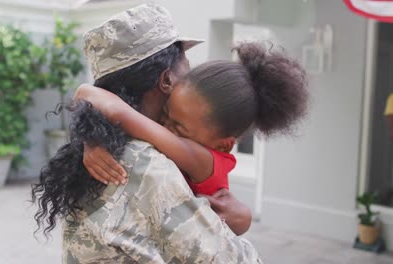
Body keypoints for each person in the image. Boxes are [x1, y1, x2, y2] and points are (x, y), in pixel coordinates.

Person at [32, 3, 263, 263]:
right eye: (186, 65)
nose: (192, 75)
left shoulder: (104, 146)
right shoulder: (147, 164)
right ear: (167, 80)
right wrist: (232, 230)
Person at [77, 42, 308, 197]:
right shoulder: (195, 143)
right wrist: (91, 139)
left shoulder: (208, 163)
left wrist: (89, 117)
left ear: (223, 144)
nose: (165, 127)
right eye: (167, 114)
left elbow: (118, 112)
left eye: (179, 128)